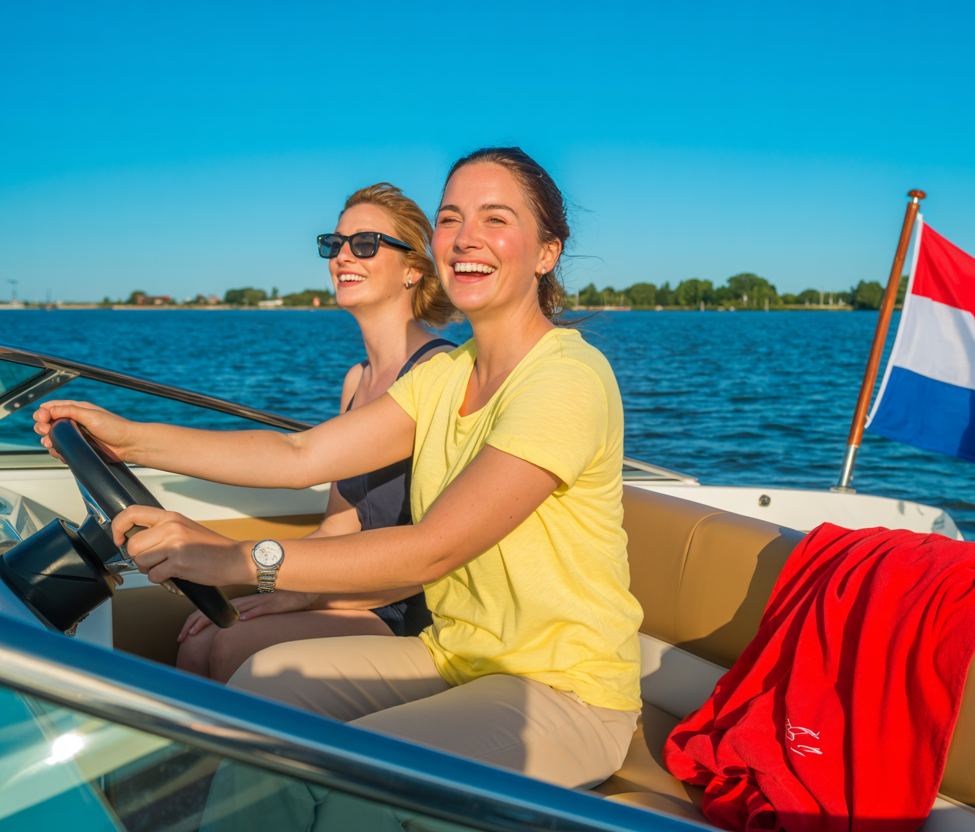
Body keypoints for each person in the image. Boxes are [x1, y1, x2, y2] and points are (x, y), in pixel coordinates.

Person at [33, 147, 642, 794]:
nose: (465, 239)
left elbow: (432, 550)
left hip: (564, 692)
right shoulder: (445, 376)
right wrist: (130, 439)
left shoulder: (565, 379)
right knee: (259, 692)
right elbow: (303, 456)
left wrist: (243, 562)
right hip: (454, 658)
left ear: (547, 252)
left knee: (346, 780)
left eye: (496, 219)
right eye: (451, 218)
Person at [175, 182, 457, 682]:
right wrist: (268, 590)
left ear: (414, 268)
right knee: (200, 640)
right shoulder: (358, 380)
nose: (343, 256)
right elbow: (338, 526)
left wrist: (299, 588)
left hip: (404, 605)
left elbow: (433, 552)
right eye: (335, 243)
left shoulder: (439, 373)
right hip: (348, 590)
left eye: (366, 244)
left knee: (229, 649)